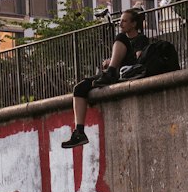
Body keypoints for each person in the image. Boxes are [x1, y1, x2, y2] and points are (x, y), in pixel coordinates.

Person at [60, 8, 148, 150]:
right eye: (120, 21)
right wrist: (111, 60)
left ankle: (110, 72)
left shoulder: (140, 39)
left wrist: (114, 64)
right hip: (115, 71)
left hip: (127, 71)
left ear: (134, 24)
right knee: (79, 88)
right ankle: (79, 132)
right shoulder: (121, 41)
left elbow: (139, 58)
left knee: (120, 37)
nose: (121, 24)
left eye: (124, 21)